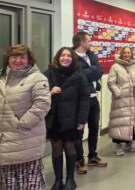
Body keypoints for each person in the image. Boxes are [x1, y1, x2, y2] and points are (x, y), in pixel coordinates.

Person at [0, 45, 51, 189]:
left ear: (29, 59)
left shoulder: (37, 78)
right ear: (8, 59)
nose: (18, 60)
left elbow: (42, 105)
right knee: (8, 182)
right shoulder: (2, 77)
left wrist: (22, 124)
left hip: (26, 137)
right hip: (5, 140)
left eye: (22, 57)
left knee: (28, 182)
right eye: (14, 57)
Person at [44, 47, 90, 190]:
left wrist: (82, 120)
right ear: (58, 57)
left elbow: (84, 99)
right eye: (62, 55)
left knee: (70, 148)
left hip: (72, 120)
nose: (65, 58)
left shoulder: (79, 75)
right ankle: (58, 180)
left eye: (69, 55)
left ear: (73, 58)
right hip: (54, 119)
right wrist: (50, 92)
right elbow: (38, 95)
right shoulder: (48, 74)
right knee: (56, 149)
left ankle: (71, 180)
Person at [72, 32, 107, 174]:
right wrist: (91, 71)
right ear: (81, 42)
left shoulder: (91, 55)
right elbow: (78, 76)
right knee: (78, 132)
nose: (91, 43)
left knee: (94, 128)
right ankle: (78, 160)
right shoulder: (71, 57)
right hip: (80, 100)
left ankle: (92, 155)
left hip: (93, 98)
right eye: (89, 40)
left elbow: (100, 71)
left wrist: (89, 72)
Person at [107, 46, 135, 156]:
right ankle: (118, 146)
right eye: (125, 53)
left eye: (128, 53)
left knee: (132, 122)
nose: (126, 55)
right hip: (121, 101)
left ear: (131, 54)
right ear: (121, 54)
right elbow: (111, 83)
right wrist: (118, 93)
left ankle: (130, 144)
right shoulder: (115, 66)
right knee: (120, 122)